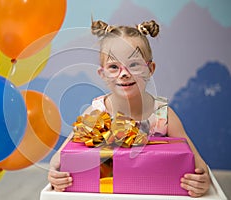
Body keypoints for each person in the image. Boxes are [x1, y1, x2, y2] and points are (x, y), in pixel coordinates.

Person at [48, 19, 211, 197]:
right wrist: (56, 175)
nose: (124, 73)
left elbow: (198, 164)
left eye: (134, 65)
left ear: (151, 69)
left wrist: (202, 181)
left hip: (153, 191)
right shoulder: (96, 112)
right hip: (107, 192)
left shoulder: (163, 115)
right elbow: (61, 158)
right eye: (113, 67)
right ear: (102, 74)